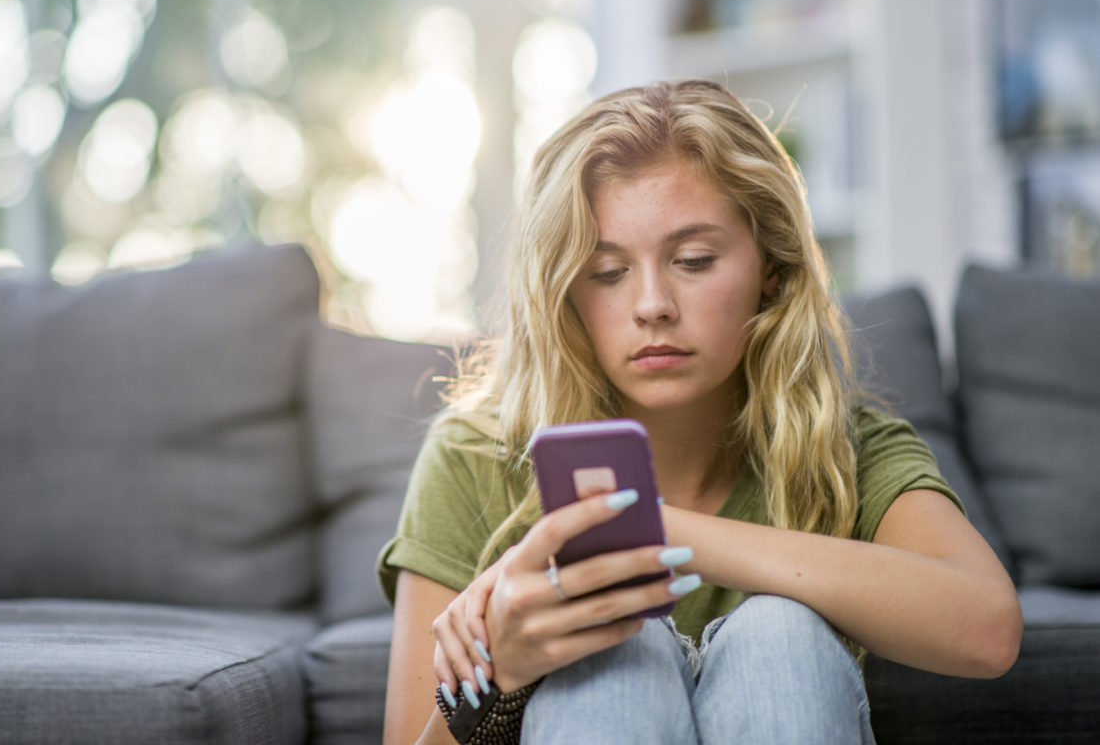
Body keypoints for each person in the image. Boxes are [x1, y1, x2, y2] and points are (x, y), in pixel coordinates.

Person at [377, 79, 1021, 745]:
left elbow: (989, 628)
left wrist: (653, 532)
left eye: (693, 260)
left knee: (780, 635)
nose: (652, 304)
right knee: (616, 657)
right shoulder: (475, 453)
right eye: (606, 272)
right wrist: (502, 677)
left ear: (772, 267)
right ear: (567, 292)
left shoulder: (843, 446)